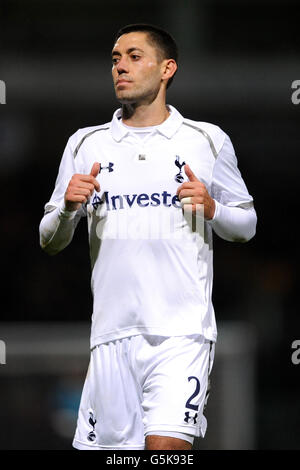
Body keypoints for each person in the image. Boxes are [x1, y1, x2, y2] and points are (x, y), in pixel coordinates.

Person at [39, 23, 257, 451]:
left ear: (166, 69)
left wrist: (212, 209)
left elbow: (246, 225)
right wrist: (67, 208)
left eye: (134, 56)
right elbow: (50, 240)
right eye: (116, 59)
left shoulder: (205, 140)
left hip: (181, 335)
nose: (120, 67)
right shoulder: (86, 144)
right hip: (110, 338)